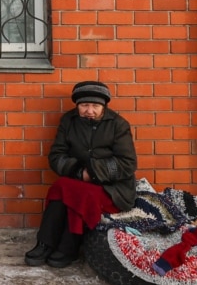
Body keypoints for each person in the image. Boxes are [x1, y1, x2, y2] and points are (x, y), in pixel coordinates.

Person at [25, 80, 138, 268]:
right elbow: (56, 155)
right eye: (84, 105)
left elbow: (128, 163)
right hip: (77, 180)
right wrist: (79, 172)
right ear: (77, 105)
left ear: (104, 106)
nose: (89, 111)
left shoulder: (118, 125)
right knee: (65, 189)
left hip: (113, 189)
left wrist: (92, 173)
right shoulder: (68, 121)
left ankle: (64, 247)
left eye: (95, 106)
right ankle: (47, 244)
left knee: (70, 190)